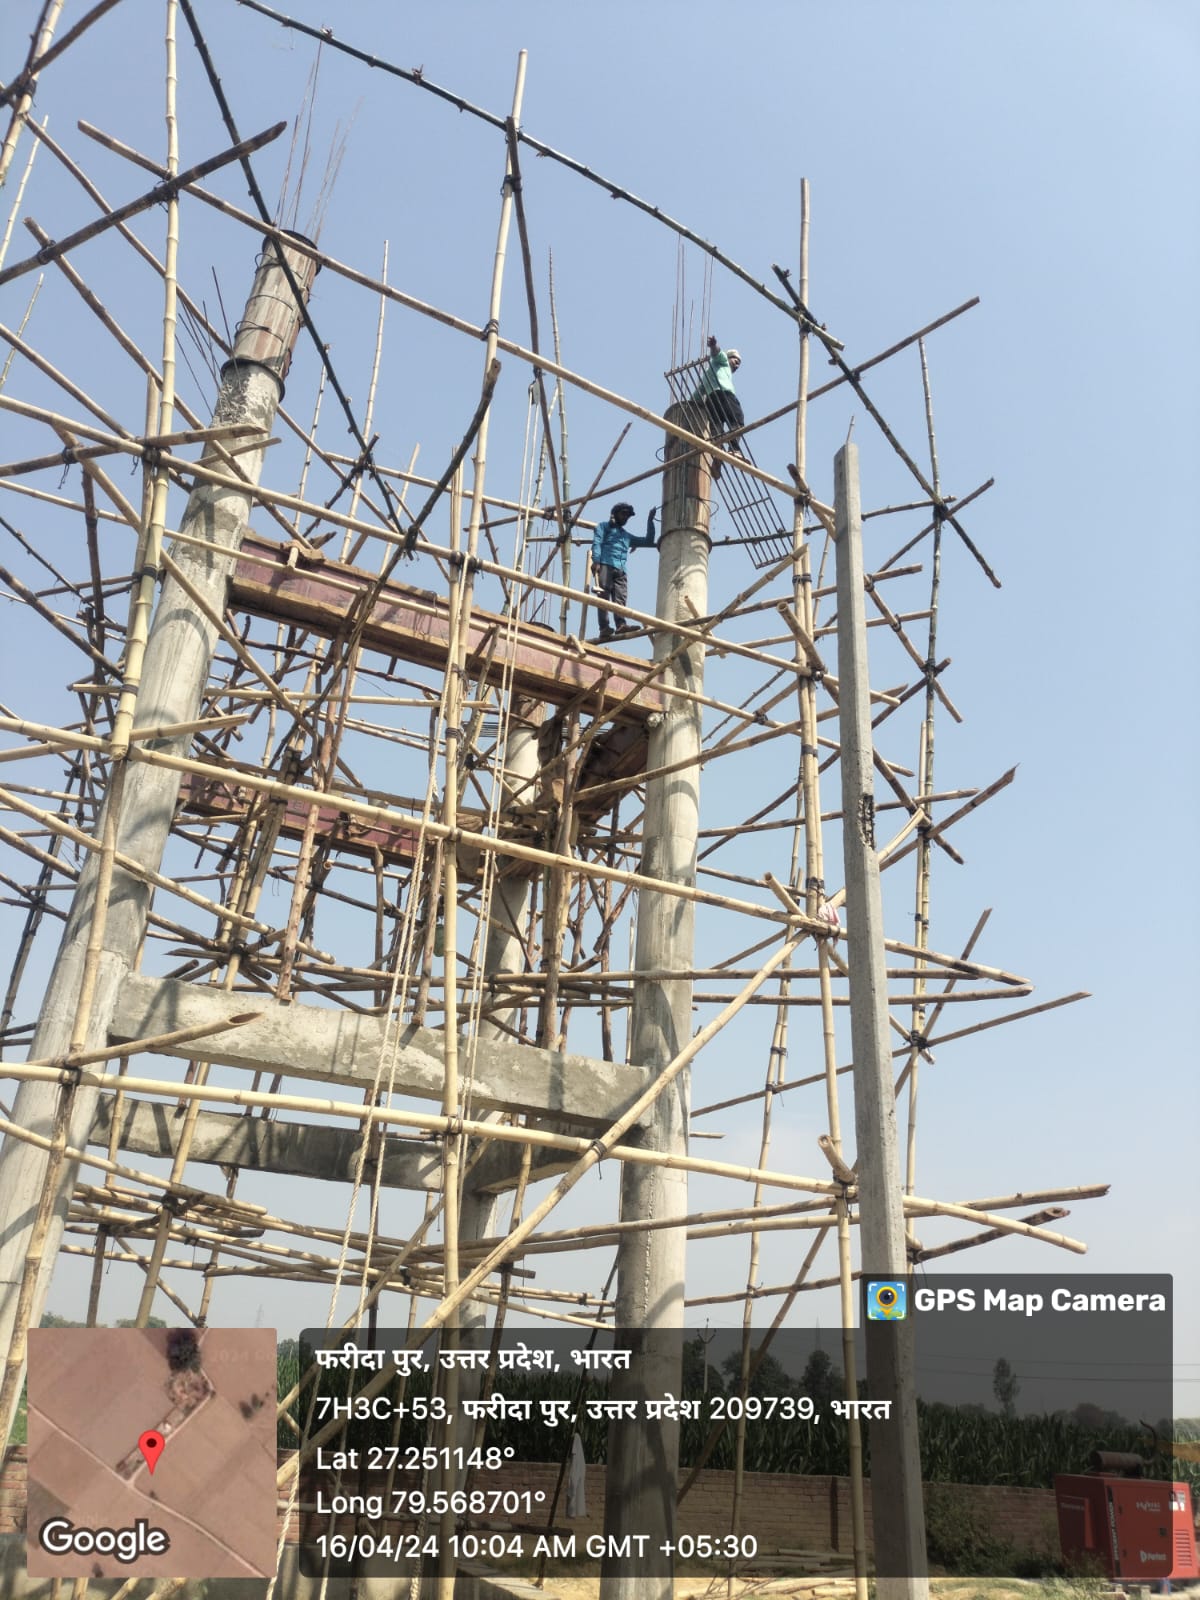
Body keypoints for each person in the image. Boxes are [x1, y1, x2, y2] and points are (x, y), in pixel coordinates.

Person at [590, 502, 656, 642]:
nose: (625, 517)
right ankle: (604, 628)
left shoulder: (626, 536)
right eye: (623, 514)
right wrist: (596, 561)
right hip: (606, 565)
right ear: (615, 514)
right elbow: (597, 542)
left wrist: (650, 521)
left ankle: (621, 625)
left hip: (621, 570)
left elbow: (648, 541)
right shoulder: (603, 527)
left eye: (627, 516)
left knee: (620, 599)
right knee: (603, 595)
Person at [693, 334, 743, 478]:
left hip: (710, 400)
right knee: (737, 421)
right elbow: (717, 353)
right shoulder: (723, 362)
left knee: (717, 429)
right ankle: (734, 448)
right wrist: (714, 345)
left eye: (739, 364)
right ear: (729, 358)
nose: (737, 365)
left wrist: (689, 406)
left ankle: (717, 455)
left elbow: (699, 392)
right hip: (724, 395)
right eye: (736, 361)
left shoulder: (709, 373)